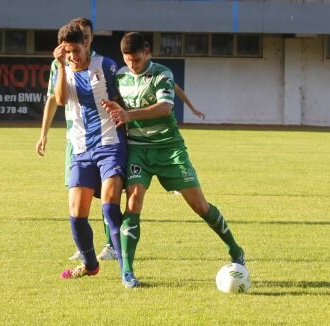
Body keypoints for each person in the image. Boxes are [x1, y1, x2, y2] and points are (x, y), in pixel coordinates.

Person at [102, 32, 245, 288]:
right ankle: (128, 272)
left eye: (136, 59)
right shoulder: (120, 76)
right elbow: (113, 102)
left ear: (147, 52)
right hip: (139, 151)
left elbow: (165, 107)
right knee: (133, 202)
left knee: (200, 205)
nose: (132, 64)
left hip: (170, 149)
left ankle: (235, 249)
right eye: (128, 59)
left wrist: (128, 114)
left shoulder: (161, 74)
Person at [35, 17, 117, 261]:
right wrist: (44, 133)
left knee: (105, 194)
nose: (85, 40)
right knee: (78, 193)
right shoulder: (59, 64)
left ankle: (111, 244)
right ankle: (85, 247)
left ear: (89, 39)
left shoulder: (101, 64)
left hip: (102, 137)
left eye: (87, 36)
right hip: (75, 138)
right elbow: (54, 99)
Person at [52, 22, 126, 279]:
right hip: (81, 149)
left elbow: (122, 100)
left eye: (76, 50)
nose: (74, 56)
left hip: (109, 145)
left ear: (86, 45)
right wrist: (61, 66)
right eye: (68, 51)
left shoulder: (105, 66)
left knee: (109, 209)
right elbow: (61, 100)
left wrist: (119, 110)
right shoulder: (61, 70)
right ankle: (90, 265)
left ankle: (126, 271)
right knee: (76, 215)